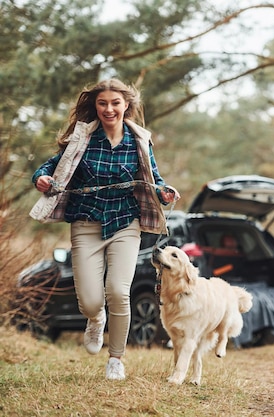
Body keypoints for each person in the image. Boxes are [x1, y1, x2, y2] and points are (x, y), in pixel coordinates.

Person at [30, 78, 180, 380]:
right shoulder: (83, 138)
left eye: (115, 103)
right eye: (102, 103)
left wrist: (165, 192)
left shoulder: (138, 140)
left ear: (126, 105)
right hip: (86, 221)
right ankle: (96, 318)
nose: (109, 109)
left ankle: (116, 359)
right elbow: (48, 167)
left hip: (126, 222)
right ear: (95, 106)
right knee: (89, 300)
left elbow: (155, 179)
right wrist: (40, 179)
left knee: (118, 291)